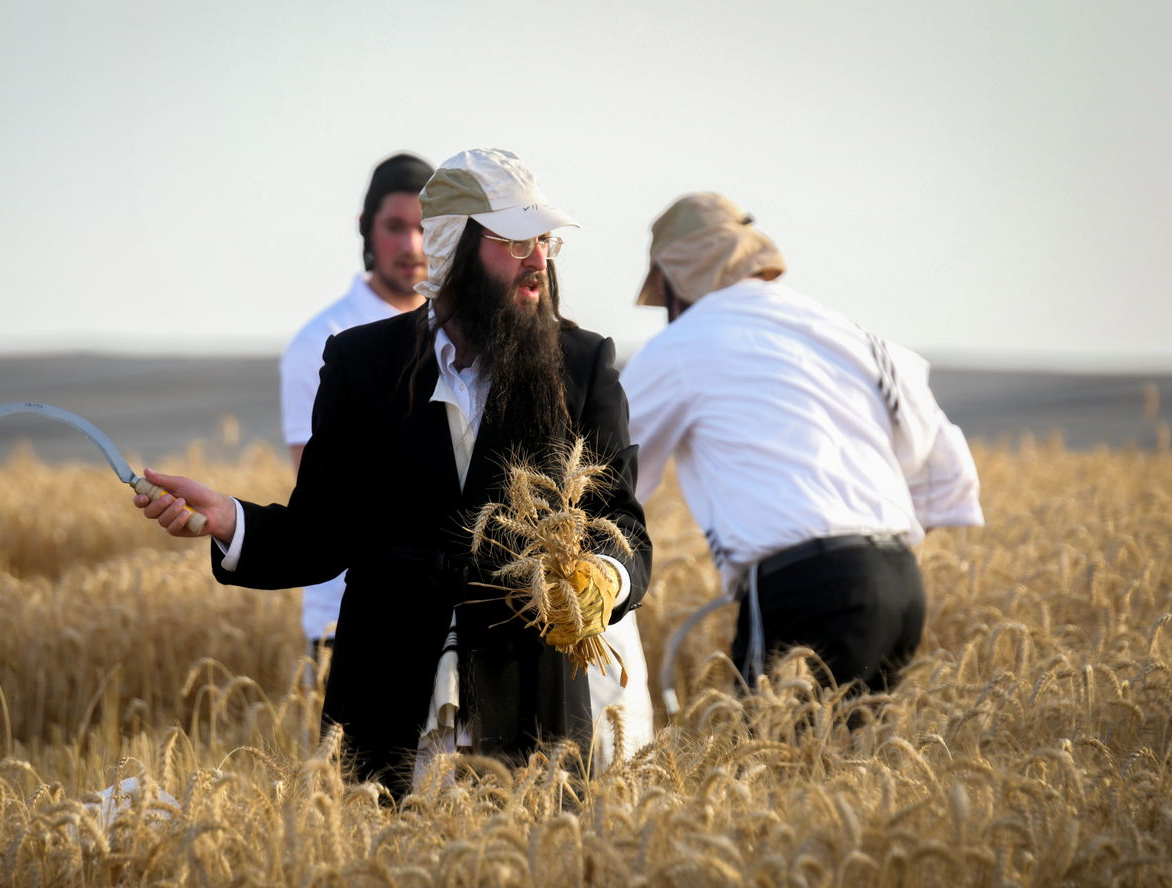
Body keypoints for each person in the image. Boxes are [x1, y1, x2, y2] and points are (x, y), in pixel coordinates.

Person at [136, 149, 651, 795]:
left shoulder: (583, 364)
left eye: (544, 240)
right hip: (385, 704)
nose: (539, 261)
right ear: (453, 245)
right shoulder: (361, 363)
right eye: (516, 240)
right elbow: (323, 532)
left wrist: (603, 577)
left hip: (532, 713)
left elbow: (621, 524)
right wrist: (231, 521)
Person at [620, 192, 983, 695]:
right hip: (901, 584)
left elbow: (605, 474)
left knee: (773, 766)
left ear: (675, 278)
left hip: (805, 587)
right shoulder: (853, 335)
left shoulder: (681, 346)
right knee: (853, 767)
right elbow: (952, 476)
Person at [281, 153, 434, 654]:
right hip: (346, 611)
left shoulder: (460, 336)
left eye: (424, 227)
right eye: (395, 227)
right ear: (365, 230)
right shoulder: (321, 341)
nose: (411, 245)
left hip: (446, 611)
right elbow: (322, 489)